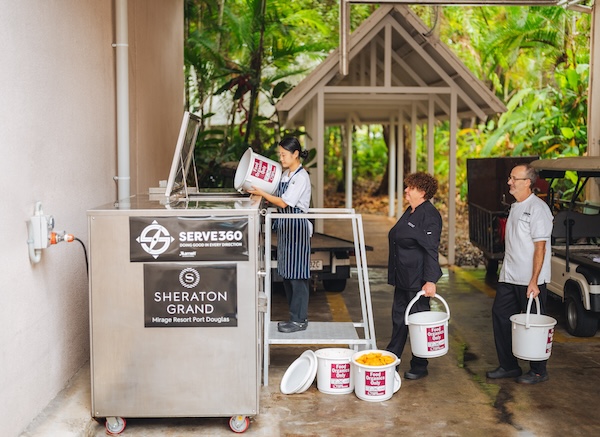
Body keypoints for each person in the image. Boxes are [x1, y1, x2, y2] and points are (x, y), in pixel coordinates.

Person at [486, 163, 553, 384]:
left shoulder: (538, 209)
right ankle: (508, 366)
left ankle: (538, 371)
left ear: (527, 183)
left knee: (533, 325)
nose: (509, 182)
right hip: (510, 277)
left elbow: (540, 247)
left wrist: (533, 281)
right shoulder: (515, 206)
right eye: (510, 178)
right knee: (501, 317)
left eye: (514, 178)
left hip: (530, 281)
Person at [247, 137, 312, 333]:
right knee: (286, 274)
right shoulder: (285, 174)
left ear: (295, 154)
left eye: (284, 154)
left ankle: (300, 319)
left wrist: (261, 192)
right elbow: (275, 194)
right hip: (286, 228)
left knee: (298, 275)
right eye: (280, 154)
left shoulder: (301, 177)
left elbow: (284, 202)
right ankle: (293, 317)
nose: (281, 158)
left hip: (297, 228)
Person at [386, 172, 442, 380]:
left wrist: (430, 280)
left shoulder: (429, 215)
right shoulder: (411, 211)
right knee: (399, 319)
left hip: (417, 279)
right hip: (403, 276)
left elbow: (431, 249)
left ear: (423, 191)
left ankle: (420, 365)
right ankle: (392, 358)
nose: (406, 191)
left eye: (410, 187)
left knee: (417, 322)